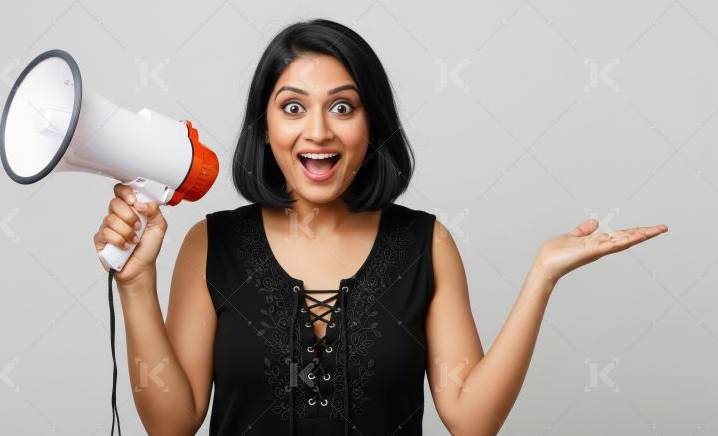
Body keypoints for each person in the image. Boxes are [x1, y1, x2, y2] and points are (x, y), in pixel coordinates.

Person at [92, 18, 668, 436]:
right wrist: (135, 284)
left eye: (343, 107)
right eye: (293, 107)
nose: (318, 130)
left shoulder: (425, 244)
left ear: (372, 125)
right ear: (265, 127)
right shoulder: (211, 244)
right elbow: (172, 424)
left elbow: (472, 420)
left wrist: (541, 276)